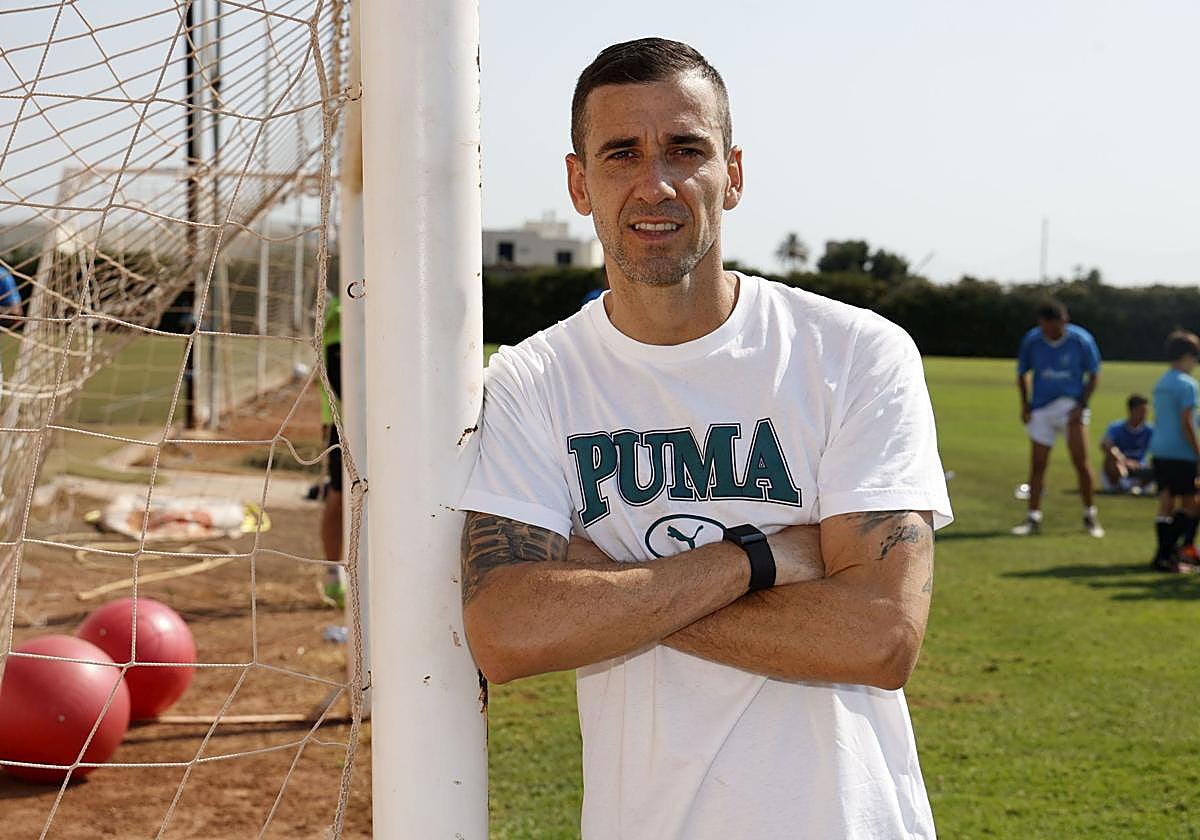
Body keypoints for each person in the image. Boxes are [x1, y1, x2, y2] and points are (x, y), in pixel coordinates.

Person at [459, 38, 952, 839]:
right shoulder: (534, 379)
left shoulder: (855, 352)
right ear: (580, 183)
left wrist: (605, 583)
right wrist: (756, 561)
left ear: (734, 173)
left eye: (686, 149)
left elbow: (878, 637)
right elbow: (509, 632)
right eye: (622, 153)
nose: (656, 183)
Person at [1012, 300, 1104, 537]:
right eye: (1044, 327)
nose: (1048, 332)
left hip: (1071, 406)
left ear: (1064, 322)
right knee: (1038, 464)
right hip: (1041, 408)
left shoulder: (1081, 340)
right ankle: (1033, 517)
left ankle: (1090, 515)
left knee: (1081, 462)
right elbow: (1022, 373)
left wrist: (1081, 405)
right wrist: (1025, 404)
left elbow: (1094, 374)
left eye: (1052, 327)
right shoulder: (1033, 339)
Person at [1148, 330, 1200, 573]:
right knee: (1191, 505)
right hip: (1181, 451)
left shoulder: (1162, 382)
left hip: (1159, 447)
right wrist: (1198, 450)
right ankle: (1169, 553)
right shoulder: (1187, 385)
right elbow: (1186, 422)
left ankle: (1165, 555)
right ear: (1187, 356)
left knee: (1166, 502)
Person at [318, 291, 345, 607]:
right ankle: (333, 575)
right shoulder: (338, 316)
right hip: (347, 423)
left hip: (391, 423)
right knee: (338, 498)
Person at [1099, 394, 1154, 494]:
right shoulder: (1116, 427)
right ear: (1131, 411)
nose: (1143, 416)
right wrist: (1123, 460)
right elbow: (1105, 444)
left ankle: (1137, 488)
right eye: (1141, 412)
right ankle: (1118, 486)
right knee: (1109, 461)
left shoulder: (1150, 430)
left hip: (1140, 467)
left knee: (1160, 464)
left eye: (1145, 412)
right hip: (1120, 466)